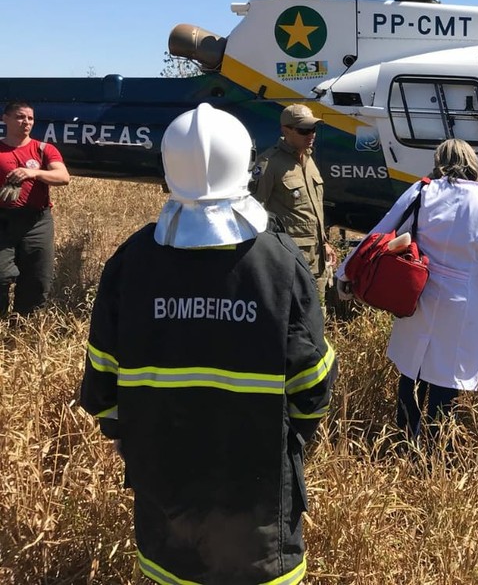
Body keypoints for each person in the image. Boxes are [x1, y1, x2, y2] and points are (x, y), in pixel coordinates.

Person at [80, 104, 336, 585]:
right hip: (258, 509)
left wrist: (138, 443)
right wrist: (284, 443)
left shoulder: (131, 261)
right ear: (244, 168)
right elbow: (313, 387)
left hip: (165, 500)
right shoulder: (281, 263)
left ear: (168, 171)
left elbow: (101, 386)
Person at [337, 138, 478, 442]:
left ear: (439, 160)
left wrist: (345, 271)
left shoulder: (424, 189)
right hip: (461, 302)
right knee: (448, 375)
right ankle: (435, 449)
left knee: (412, 366)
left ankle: (405, 438)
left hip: (418, 292)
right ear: (472, 162)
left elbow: (382, 229)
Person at [252, 103, 336, 301]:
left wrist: (325, 243)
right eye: (304, 130)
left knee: (317, 316)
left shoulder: (308, 160)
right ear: (286, 130)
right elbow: (253, 210)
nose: (311, 135)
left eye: (313, 129)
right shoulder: (269, 164)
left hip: (318, 260)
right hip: (290, 261)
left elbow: (312, 211)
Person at [0, 100, 71, 317]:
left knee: (37, 278)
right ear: (5, 119)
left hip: (37, 222)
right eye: (20, 117)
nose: (26, 122)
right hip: (3, 221)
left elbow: (63, 177)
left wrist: (34, 173)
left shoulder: (43, 149)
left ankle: (23, 329)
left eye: (30, 118)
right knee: (1, 275)